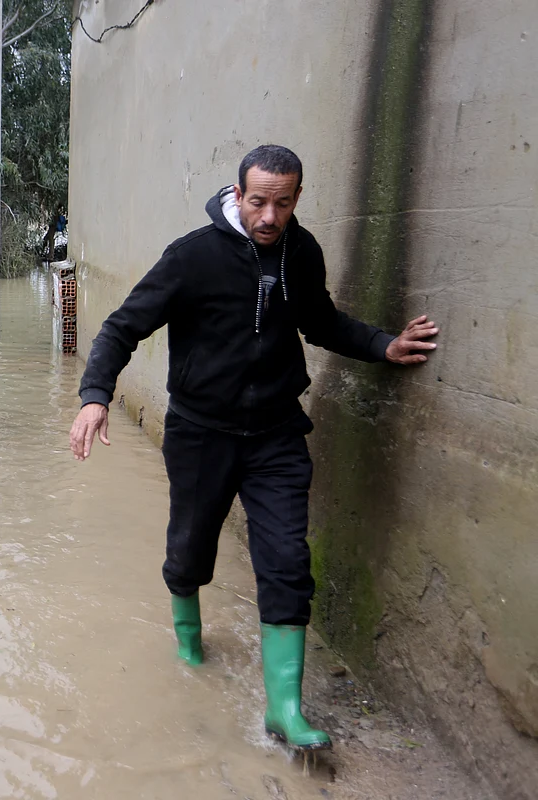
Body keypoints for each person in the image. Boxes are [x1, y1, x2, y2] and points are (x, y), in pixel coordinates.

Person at [68, 145, 439, 752]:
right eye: (259, 201)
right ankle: (188, 639)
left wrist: (382, 345)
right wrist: (94, 395)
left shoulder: (303, 251)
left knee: (287, 559)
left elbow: (320, 322)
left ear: (297, 199)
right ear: (236, 195)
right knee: (190, 547)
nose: (270, 215)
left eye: (283, 203)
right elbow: (121, 326)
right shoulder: (193, 257)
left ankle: (285, 709)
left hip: (275, 433)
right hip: (199, 433)